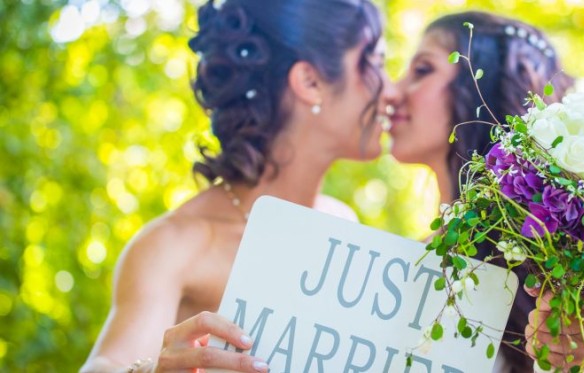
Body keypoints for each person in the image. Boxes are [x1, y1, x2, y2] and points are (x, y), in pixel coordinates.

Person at [80, 0, 387, 372]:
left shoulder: (344, 225)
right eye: (376, 65)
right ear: (310, 82)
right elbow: (106, 363)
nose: (390, 91)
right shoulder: (175, 246)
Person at [384, 11, 584, 372]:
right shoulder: (408, 258)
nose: (392, 91)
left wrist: (572, 357)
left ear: (480, 87)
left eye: (422, 70)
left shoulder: (568, 266)